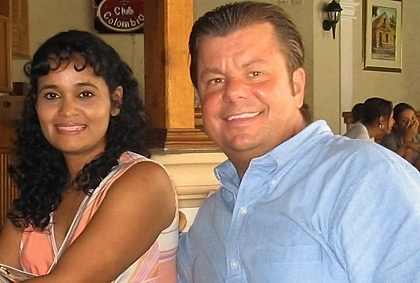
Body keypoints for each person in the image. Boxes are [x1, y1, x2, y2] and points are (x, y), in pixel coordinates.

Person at [176, 2, 420, 282]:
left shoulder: (363, 180)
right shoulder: (212, 219)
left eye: (255, 73)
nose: (233, 92)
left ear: (297, 86)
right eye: (216, 80)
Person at [0, 30, 178, 282]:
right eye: (52, 95)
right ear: (36, 107)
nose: (68, 110)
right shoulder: (37, 196)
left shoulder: (144, 181)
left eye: (84, 94)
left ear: (115, 102)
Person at [381, 102, 420, 170]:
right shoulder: (389, 140)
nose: (410, 123)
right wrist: (407, 140)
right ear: (396, 125)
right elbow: (406, 167)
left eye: (413, 118)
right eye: (405, 120)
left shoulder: (418, 138)